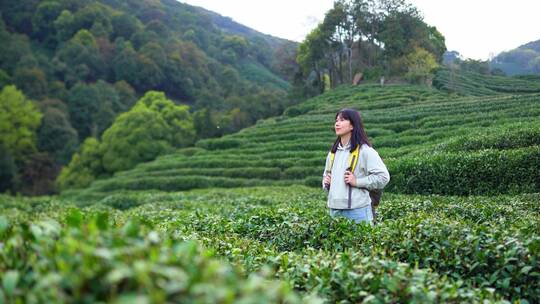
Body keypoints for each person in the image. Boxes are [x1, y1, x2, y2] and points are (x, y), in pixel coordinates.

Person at [322, 108, 390, 224]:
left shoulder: (365, 151)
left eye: (342, 120)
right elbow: (325, 176)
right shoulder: (332, 153)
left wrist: (357, 182)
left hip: (358, 211)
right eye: (336, 120)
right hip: (334, 211)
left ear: (352, 125)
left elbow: (383, 177)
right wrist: (325, 182)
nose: (337, 123)